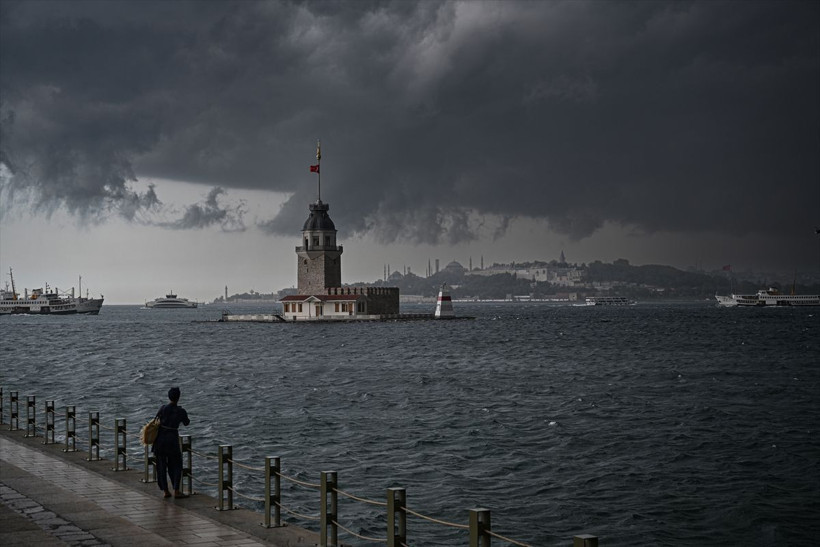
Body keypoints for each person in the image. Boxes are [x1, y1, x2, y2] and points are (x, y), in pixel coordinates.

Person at [152, 386, 191, 498]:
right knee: (176, 465)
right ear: (179, 397)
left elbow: (155, 420)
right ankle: (177, 490)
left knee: (161, 466)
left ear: (169, 396)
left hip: (160, 440)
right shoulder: (181, 411)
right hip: (172, 440)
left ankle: (165, 491)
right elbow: (187, 423)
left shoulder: (163, 408)